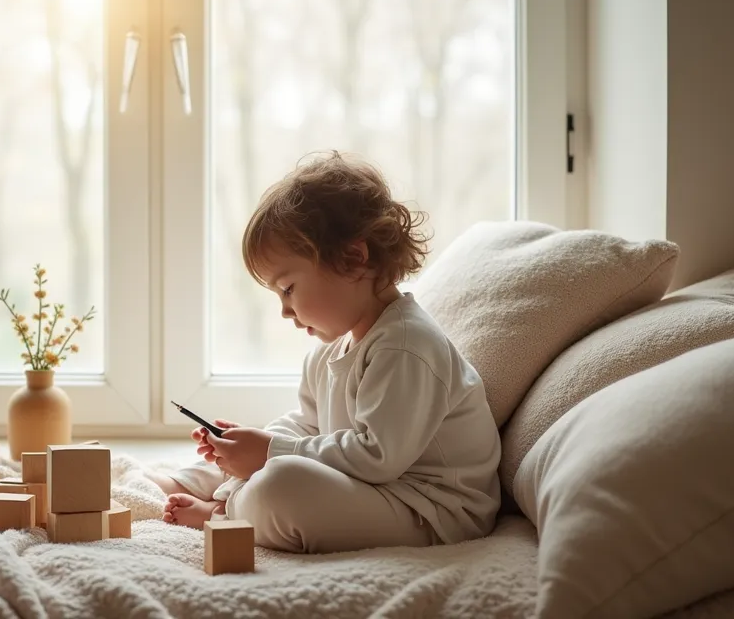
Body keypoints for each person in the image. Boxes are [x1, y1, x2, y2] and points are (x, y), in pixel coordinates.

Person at [147, 151, 501, 554]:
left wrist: (267, 453)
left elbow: (377, 457)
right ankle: (195, 483)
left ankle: (220, 513)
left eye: (288, 288)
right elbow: (307, 426)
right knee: (266, 458)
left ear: (353, 259)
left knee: (282, 484)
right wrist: (249, 444)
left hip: (430, 511)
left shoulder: (406, 345)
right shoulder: (331, 350)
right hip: (377, 490)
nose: (283, 310)